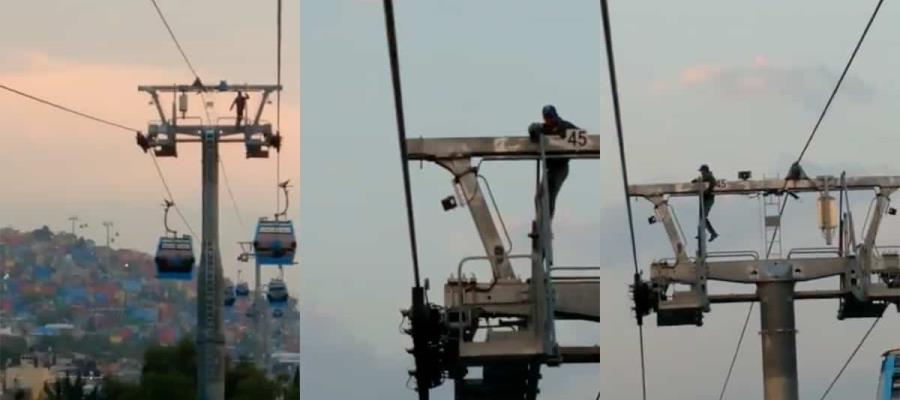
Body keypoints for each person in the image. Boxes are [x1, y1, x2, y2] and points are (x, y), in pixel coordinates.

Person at [530, 104, 578, 223]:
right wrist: (533, 129)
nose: (548, 120)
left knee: (550, 193)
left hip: (561, 167)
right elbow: (532, 129)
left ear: (555, 116)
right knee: (539, 196)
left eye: (550, 117)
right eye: (546, 117)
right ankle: (541, 220)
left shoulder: (565, 126)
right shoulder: (544, 129)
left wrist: (565, 145)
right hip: (550, 168)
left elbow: (582, 139)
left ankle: (547, 221)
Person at [692, 164, 719, 242]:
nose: (701, 173)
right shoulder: (706, 177)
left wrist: (707, 192)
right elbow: (702, 180)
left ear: (705, 171)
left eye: (702, 171)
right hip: (705, 199)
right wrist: (696, 181)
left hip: (708, 199)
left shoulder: (710, 177)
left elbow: (712, 185)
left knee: (703, 217)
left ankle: (713, 233)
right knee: (702, 217)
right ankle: (703, 233)